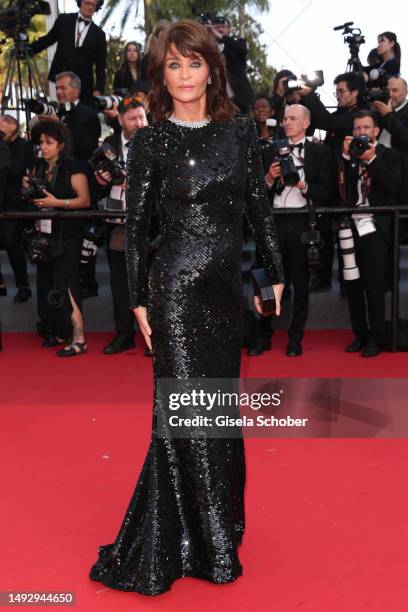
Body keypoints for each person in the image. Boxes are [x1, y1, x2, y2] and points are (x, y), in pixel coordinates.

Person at [89, 19, 284, 596]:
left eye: (193, 62)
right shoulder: (150, 142)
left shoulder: (240, 133)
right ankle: (208, 547)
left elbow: (259, 210)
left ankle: (210, 532)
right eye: (172, 64)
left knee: (217, 411)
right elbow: (136, 225)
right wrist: (139, 304)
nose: (183, 75)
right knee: (184, 411)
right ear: (161, 74)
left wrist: (274, 273)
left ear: (213, 69)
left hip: (224, 292)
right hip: (173, 289)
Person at [247, 105, 331, 357]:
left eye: (293, 118)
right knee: (266, 280)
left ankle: (296, 338)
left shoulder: (320, 152)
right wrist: (269, 179)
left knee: (301, 283)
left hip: (302, 222)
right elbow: (255, 192)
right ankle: (263, 335)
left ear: (306, 123)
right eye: (285, 118)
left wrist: (304, 185)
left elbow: (328, 192)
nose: (287, 122)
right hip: (272, 222)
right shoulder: (269, 149)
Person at [26, 120, 91, 355]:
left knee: (68, 285)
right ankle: (56, 331)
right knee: (46, 283)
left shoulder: (73, 167)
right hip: (43, 235)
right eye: (41, 142)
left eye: (49, 142)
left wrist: (57, 203)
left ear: (61, 145)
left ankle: (79, 339)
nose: (43, 147)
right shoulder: (38, 167)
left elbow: (84, 200)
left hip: (68, 236)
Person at [340, 110, 402, 357]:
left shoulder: (390, 156)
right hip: (350, 226)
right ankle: (360, 334)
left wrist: (373, 159)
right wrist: (346, 158)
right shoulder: (349, 157)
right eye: (357, 128)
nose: (361, 133)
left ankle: (376, 337)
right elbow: (341, 191)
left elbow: (393, 185)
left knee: (374, 286)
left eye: (366, 127)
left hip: (376, 229)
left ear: (376, 131)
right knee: (353, 286)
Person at [94, 97, 148, 354]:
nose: (139, 123)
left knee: (151, 282)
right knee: (119, 282)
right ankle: (124, 333)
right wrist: (101, 179)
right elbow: (96, 185)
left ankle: (152, 337)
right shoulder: (109, 146)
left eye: (142, 117)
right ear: (120, 120)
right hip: (118, 223)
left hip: (151, 224)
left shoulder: (158, 143)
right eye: (132, 118)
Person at [30, 0, 107, 105]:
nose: (89, 7)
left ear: (97, 7)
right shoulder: (64, 20)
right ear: (80, 2)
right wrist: (29, 49)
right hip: (59, 78)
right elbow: (48, 39)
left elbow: (101, 66)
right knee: (58, 113)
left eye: (93, 4)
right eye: (87, 3)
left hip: (84, 87)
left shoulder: (100, 34)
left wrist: (99, 89)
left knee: (81, 117)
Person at [0, 116, 34, 302]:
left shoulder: (22, 146)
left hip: (13, 204)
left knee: (12, 244)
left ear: (12, 137)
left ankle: (24, 286)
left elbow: (13, 170)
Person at [209, 16, 254, 113]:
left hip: (239, 98)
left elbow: (241, 49)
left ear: (229, 29)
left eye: (223, 26)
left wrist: (222, 38)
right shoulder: (207, 49)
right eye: (216, 27)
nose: (220, 29)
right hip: (217, 100)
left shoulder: (237, 44)